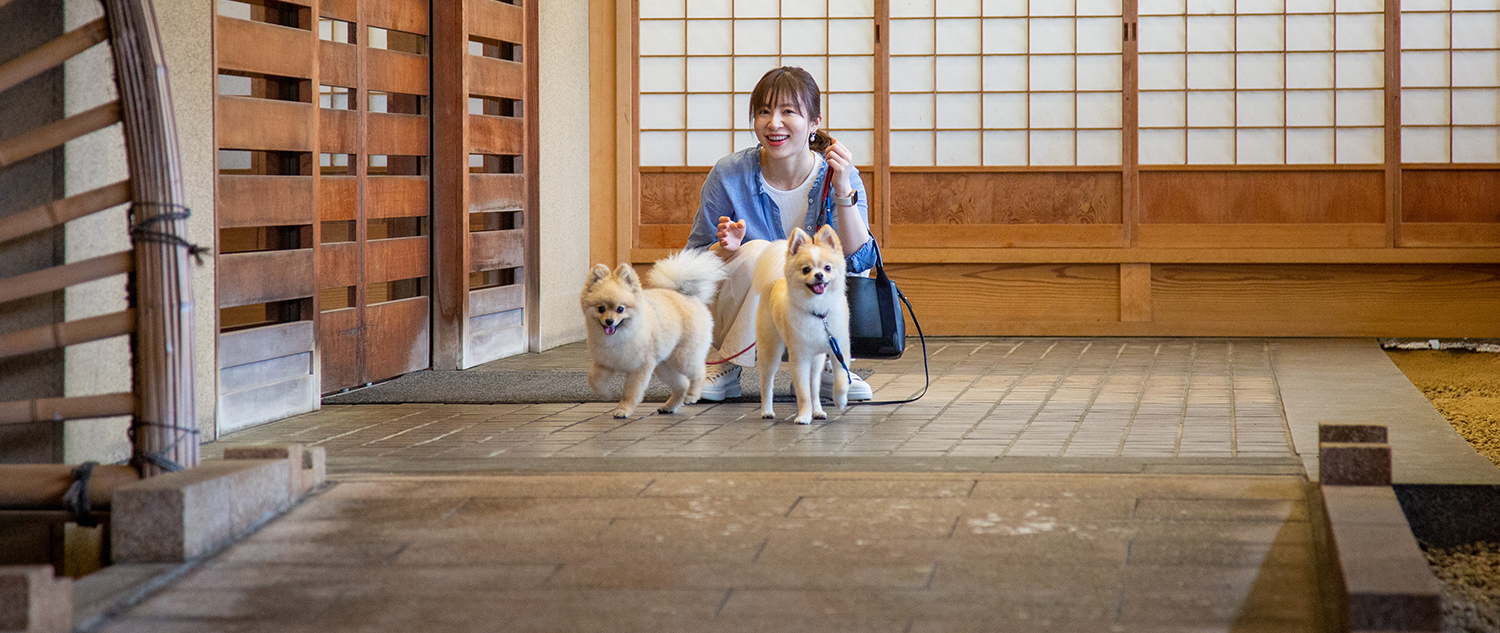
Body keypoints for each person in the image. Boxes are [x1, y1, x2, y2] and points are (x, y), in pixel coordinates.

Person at [684, 66, 878, 402]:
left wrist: (844, 190)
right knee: (761, 252)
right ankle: (727, 364)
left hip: (812, 304)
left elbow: (860, 257)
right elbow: (693, 263)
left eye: (788, 111)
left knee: (833, 260)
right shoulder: (729, 174)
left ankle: (829, 362)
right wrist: (725, 249)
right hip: (754, 313)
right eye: (763, 112)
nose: (774, 123)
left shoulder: (839, 173)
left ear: (815, 122)